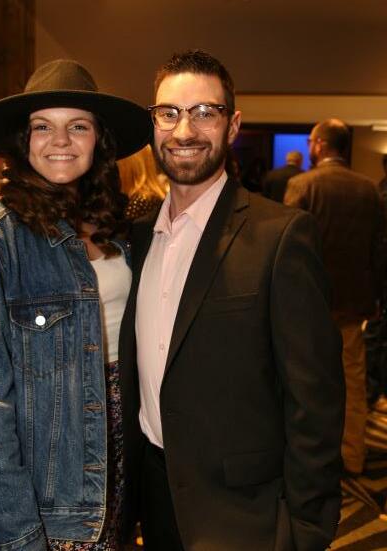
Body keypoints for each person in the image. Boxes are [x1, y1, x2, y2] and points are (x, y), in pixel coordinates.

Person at [119, 50, 345, 551]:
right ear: (153, 124)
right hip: (155, 500)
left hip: (245, 515)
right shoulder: (138, 237)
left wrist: (306, 529)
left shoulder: (280, 236)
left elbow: (316, 400)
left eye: (205, 112)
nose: (184, 131)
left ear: (233, 125)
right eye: (169, 113)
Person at [0, 59, 151, 550]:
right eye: (43, 127)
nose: (60, 140)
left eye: (77, 126)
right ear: (25, 140)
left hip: (123, 455)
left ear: (99, 139)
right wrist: (18, 534)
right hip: (52, 479)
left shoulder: (115, 225)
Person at [285, 119, 385, 477]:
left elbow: (289, 251)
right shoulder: (368, 189)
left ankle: (311, 456)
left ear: (321, 145)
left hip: (309, 302)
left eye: (311, 141)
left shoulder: (303, 185)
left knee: (307, 381)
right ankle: (353, 455)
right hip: (352, 304)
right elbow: (378, 249)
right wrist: (377, 297)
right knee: (353, 381)